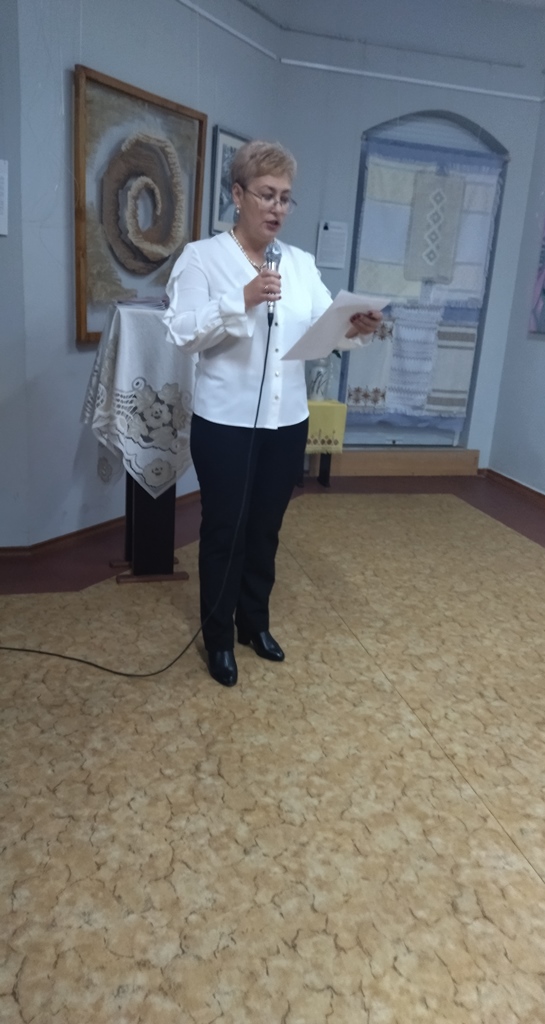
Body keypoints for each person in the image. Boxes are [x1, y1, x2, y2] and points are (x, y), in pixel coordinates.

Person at [163, 140, 382, 687]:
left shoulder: (300, 264)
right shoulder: (201, 258)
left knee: (265, 529)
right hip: (225, 424)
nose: (277, 207)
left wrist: (354, 328)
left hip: (287, 423)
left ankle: (253, 624)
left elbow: (324, 328)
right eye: (266, 194)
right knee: (225, 531)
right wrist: (239, 298)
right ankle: (218, 639)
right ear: (238, 195)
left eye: (286, 197)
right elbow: (181, 332)